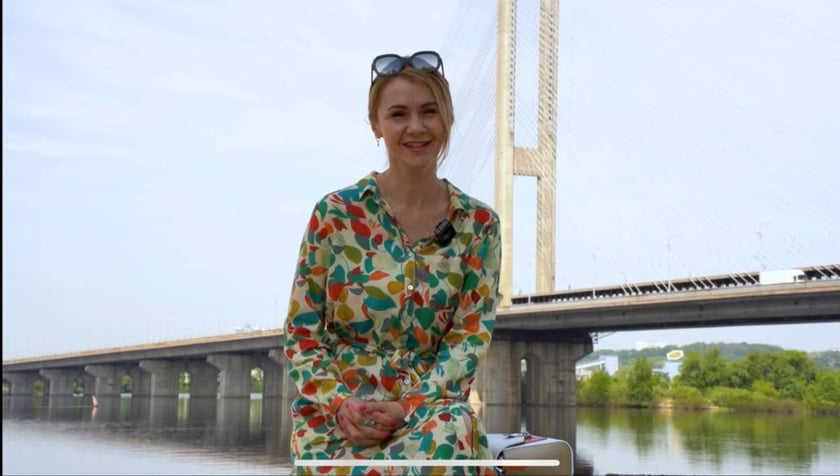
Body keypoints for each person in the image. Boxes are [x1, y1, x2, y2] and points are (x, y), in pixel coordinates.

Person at [282, 50, 502, 476]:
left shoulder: (478, 225)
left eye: (429, 112)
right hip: (341, 417)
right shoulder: (336, 215)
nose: (416, 127)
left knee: (448, 437)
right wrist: (341, 403)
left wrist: (408, 406)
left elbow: (468, 339)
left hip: (429, 413)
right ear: (375, 124)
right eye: (399, 114)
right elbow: (301, 332)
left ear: (448, 119)